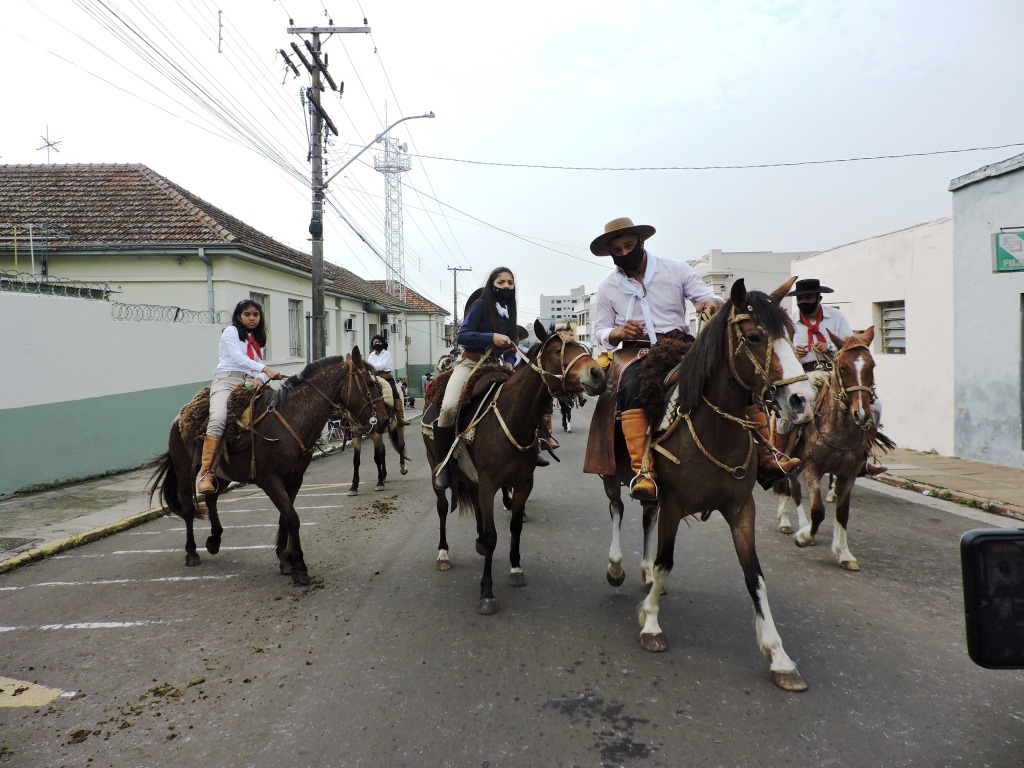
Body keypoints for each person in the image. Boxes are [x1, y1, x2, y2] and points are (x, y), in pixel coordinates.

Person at [590, 217, 733, 501]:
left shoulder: (676, 269)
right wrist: (619, 331)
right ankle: (643, 470)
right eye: (616, 250)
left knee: (728, 373)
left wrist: (710, 303)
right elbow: (599, 331)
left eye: (628, 245)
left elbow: (707, 298)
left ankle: (767, 454)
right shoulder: (608, 287)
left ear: (641, 243)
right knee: (631, 387)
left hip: (679, 343)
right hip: (635, 350)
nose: (623, 252)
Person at [787, 278, 886, 476]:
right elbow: (782, 351)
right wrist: (793, 351)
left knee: (875, 407)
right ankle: (783, 456)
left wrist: (830, 347)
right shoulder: (790, 321)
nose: (804, 302)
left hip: (836, 373)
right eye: (801, 299)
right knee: (789, 410)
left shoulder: (836, 317)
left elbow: (851, 346)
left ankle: (863, 457)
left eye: (809, 297)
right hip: (804, 375)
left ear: (819, 298)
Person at [433, 267, 520, 490]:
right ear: (492, 285)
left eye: (510, 283)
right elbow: (463, 335)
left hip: (496, 366)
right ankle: (443, 463)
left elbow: (513, 343)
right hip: (471, 363)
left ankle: (532, 447)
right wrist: (490, 337)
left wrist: (510, 358)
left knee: (523, 400)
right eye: (501, 282)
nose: (506, 287)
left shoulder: (510, 311)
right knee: (450, 407)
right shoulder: (482, 305)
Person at [198, 299, 283, 493]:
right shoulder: (231, 332)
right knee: (219, 418)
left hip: (250, 383)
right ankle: (206, 474)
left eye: (256, 315)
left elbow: (259, 362)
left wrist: (261, 377)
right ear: (239, 316)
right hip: (227, 379)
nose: (252, 318)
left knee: (278, 410)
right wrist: (265, 370)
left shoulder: (257, 338)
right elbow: (238, 358)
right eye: (247, 314)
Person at [366, 334, 410, 426]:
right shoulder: (371, 355)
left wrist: (372, 367)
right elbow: (368, 367)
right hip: (373, 378)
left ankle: (400, 417)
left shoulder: (386, 353)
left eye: (379, 342)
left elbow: (384, 365)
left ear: (383, 343)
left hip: (386, 377)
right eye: (375, 342)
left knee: (395, 393)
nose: (377, 343)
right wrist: (371, 368)